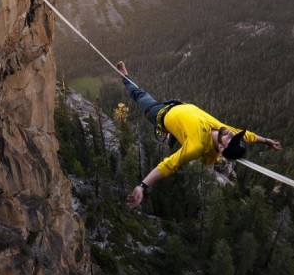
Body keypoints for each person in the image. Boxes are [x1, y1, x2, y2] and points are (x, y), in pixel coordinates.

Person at [116, 61, 281, 209]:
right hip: (177, 106)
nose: (232, 134)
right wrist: (267, 141)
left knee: (140, 94)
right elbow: (249, 136)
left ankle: (125, 76)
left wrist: (142, 186)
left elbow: (169, 165)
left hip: (159, 113)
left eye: (231, 139)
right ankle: (173, 136)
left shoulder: (197, 146)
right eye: (235, 136)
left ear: (222, 147)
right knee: (178, 133)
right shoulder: (225, 131)